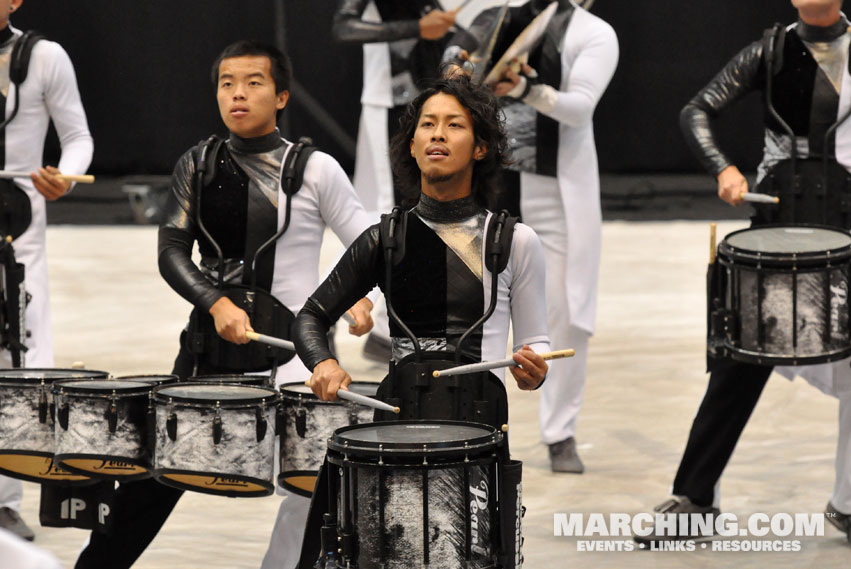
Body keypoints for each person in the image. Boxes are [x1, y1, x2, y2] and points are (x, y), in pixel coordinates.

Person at [75, 40, 375, 569]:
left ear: (281, 95)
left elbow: (365, 244)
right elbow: (171, 250)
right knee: (152, 478)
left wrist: (360, 298)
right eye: (227, 83)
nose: (238, 94)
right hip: (207, 349)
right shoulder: (198, 162)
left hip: (294, 357)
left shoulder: (315, 168)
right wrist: (214, 303)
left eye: (253, 83)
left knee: (312, 487)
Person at [292, 75, 550, 568]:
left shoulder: (515, 242)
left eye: (454, 125)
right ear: (411, 147)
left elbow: (536, 342)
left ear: (480, 148)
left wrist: (533, 369)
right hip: (396, 420)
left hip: (477, 424)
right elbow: (311, 315)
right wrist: (323, 361)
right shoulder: (384, 239)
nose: (437, 134)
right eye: (427, 125)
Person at [637, 0, 851, 545]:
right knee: (738, 360)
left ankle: (848, 502)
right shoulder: (772, 49)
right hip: (778, 227)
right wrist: (724, 169)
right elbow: (696, 110)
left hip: (849, 224)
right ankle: (695, 497)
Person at [445, 0, 618, 473]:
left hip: (552, 187)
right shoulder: (492, 19)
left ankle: (560, 430)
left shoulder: (593, 32)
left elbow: (579, 108)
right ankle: (461, 421)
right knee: (461, 305)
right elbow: (451, 59)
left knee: (565, 309)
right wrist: (459, 73)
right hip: (482, 182)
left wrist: (523, 87)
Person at [0, 0, 93, 542]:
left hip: (19, 227)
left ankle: (6, 498)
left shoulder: (44, 56)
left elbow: (77, 137)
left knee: (20, 357)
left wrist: (66, 175)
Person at [332, 0, 458, 362]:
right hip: (388, 104)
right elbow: (343, 27)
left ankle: (391, 328)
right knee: (390, 215)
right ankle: (340, 313)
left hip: (427, 102)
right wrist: (417, 30)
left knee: (417, 215)